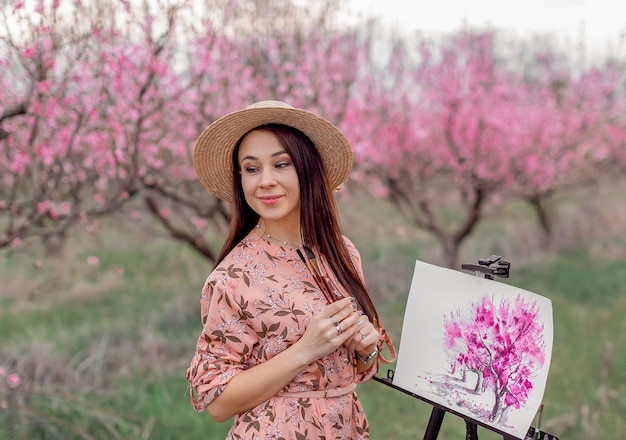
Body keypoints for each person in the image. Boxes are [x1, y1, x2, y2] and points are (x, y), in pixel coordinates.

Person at [186, 100, 394, 439]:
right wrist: (306, 349)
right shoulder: (232, 278)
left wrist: (365, 347)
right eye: (252, 169)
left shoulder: (342, 253)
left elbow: (351, 369)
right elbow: (218, 403)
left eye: (281, 164)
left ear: (307, 170)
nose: (265, 181)